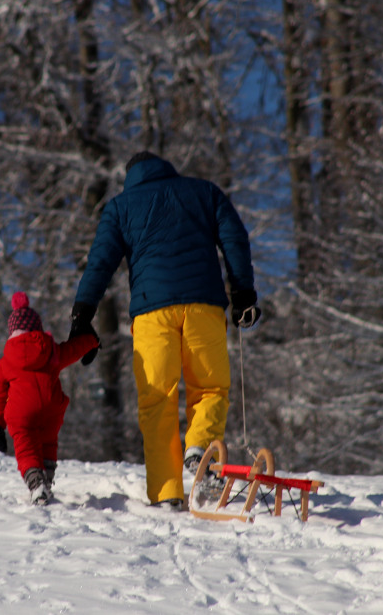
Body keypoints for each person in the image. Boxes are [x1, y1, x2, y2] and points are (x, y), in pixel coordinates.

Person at [69, 151, 260, 509]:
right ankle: (200, 447)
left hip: (151, 314)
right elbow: (234, 236)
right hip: (204, 305)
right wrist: (243, 293)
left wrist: (83, 313)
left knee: (157, 400)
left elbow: (100, 262)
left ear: (130, 178)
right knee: (210, 387)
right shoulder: (204, 192)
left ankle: (167, 491)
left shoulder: (121, 207)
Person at [0, 291, 100, 505]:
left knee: (25, 444)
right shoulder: (50, 350)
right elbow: (72, 350)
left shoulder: (6, 360)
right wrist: (91, 340)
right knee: (48, 441)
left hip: (22, 411)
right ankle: (46, 481)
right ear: (36, 328)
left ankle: (36, 483)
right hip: (51, 407)